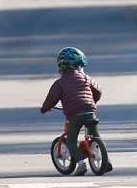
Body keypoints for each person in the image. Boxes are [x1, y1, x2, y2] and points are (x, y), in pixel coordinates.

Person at [40, 47, 112, 176]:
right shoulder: (86, 78)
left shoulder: (60, 83)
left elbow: (52, 98)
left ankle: (80, 164)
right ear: (79, 66)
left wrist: (45, 108)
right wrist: (92, 101)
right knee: (95, 135)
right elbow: (98, 91)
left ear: (61, 66)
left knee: (71, 140)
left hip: (74, 114)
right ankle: (105, 161)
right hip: (90, 111)